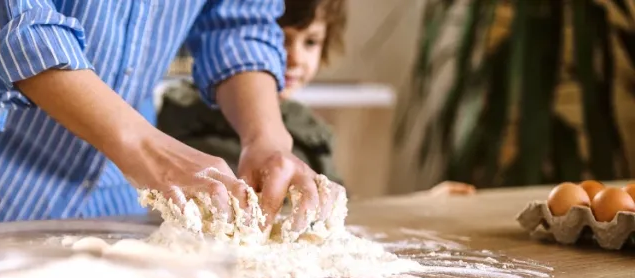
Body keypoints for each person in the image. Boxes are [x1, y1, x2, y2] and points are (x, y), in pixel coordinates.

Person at [0, 0, 343, 228]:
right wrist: (149, 151)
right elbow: (11, 17)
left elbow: (238, 18)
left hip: (111, 181)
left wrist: (265, 137)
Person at [157, 0, 476, 198]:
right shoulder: (185, 121)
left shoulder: (313, 131)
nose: (294, 58)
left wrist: (415, 206)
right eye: (281, 41)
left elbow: (340, 205)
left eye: (311, 43)